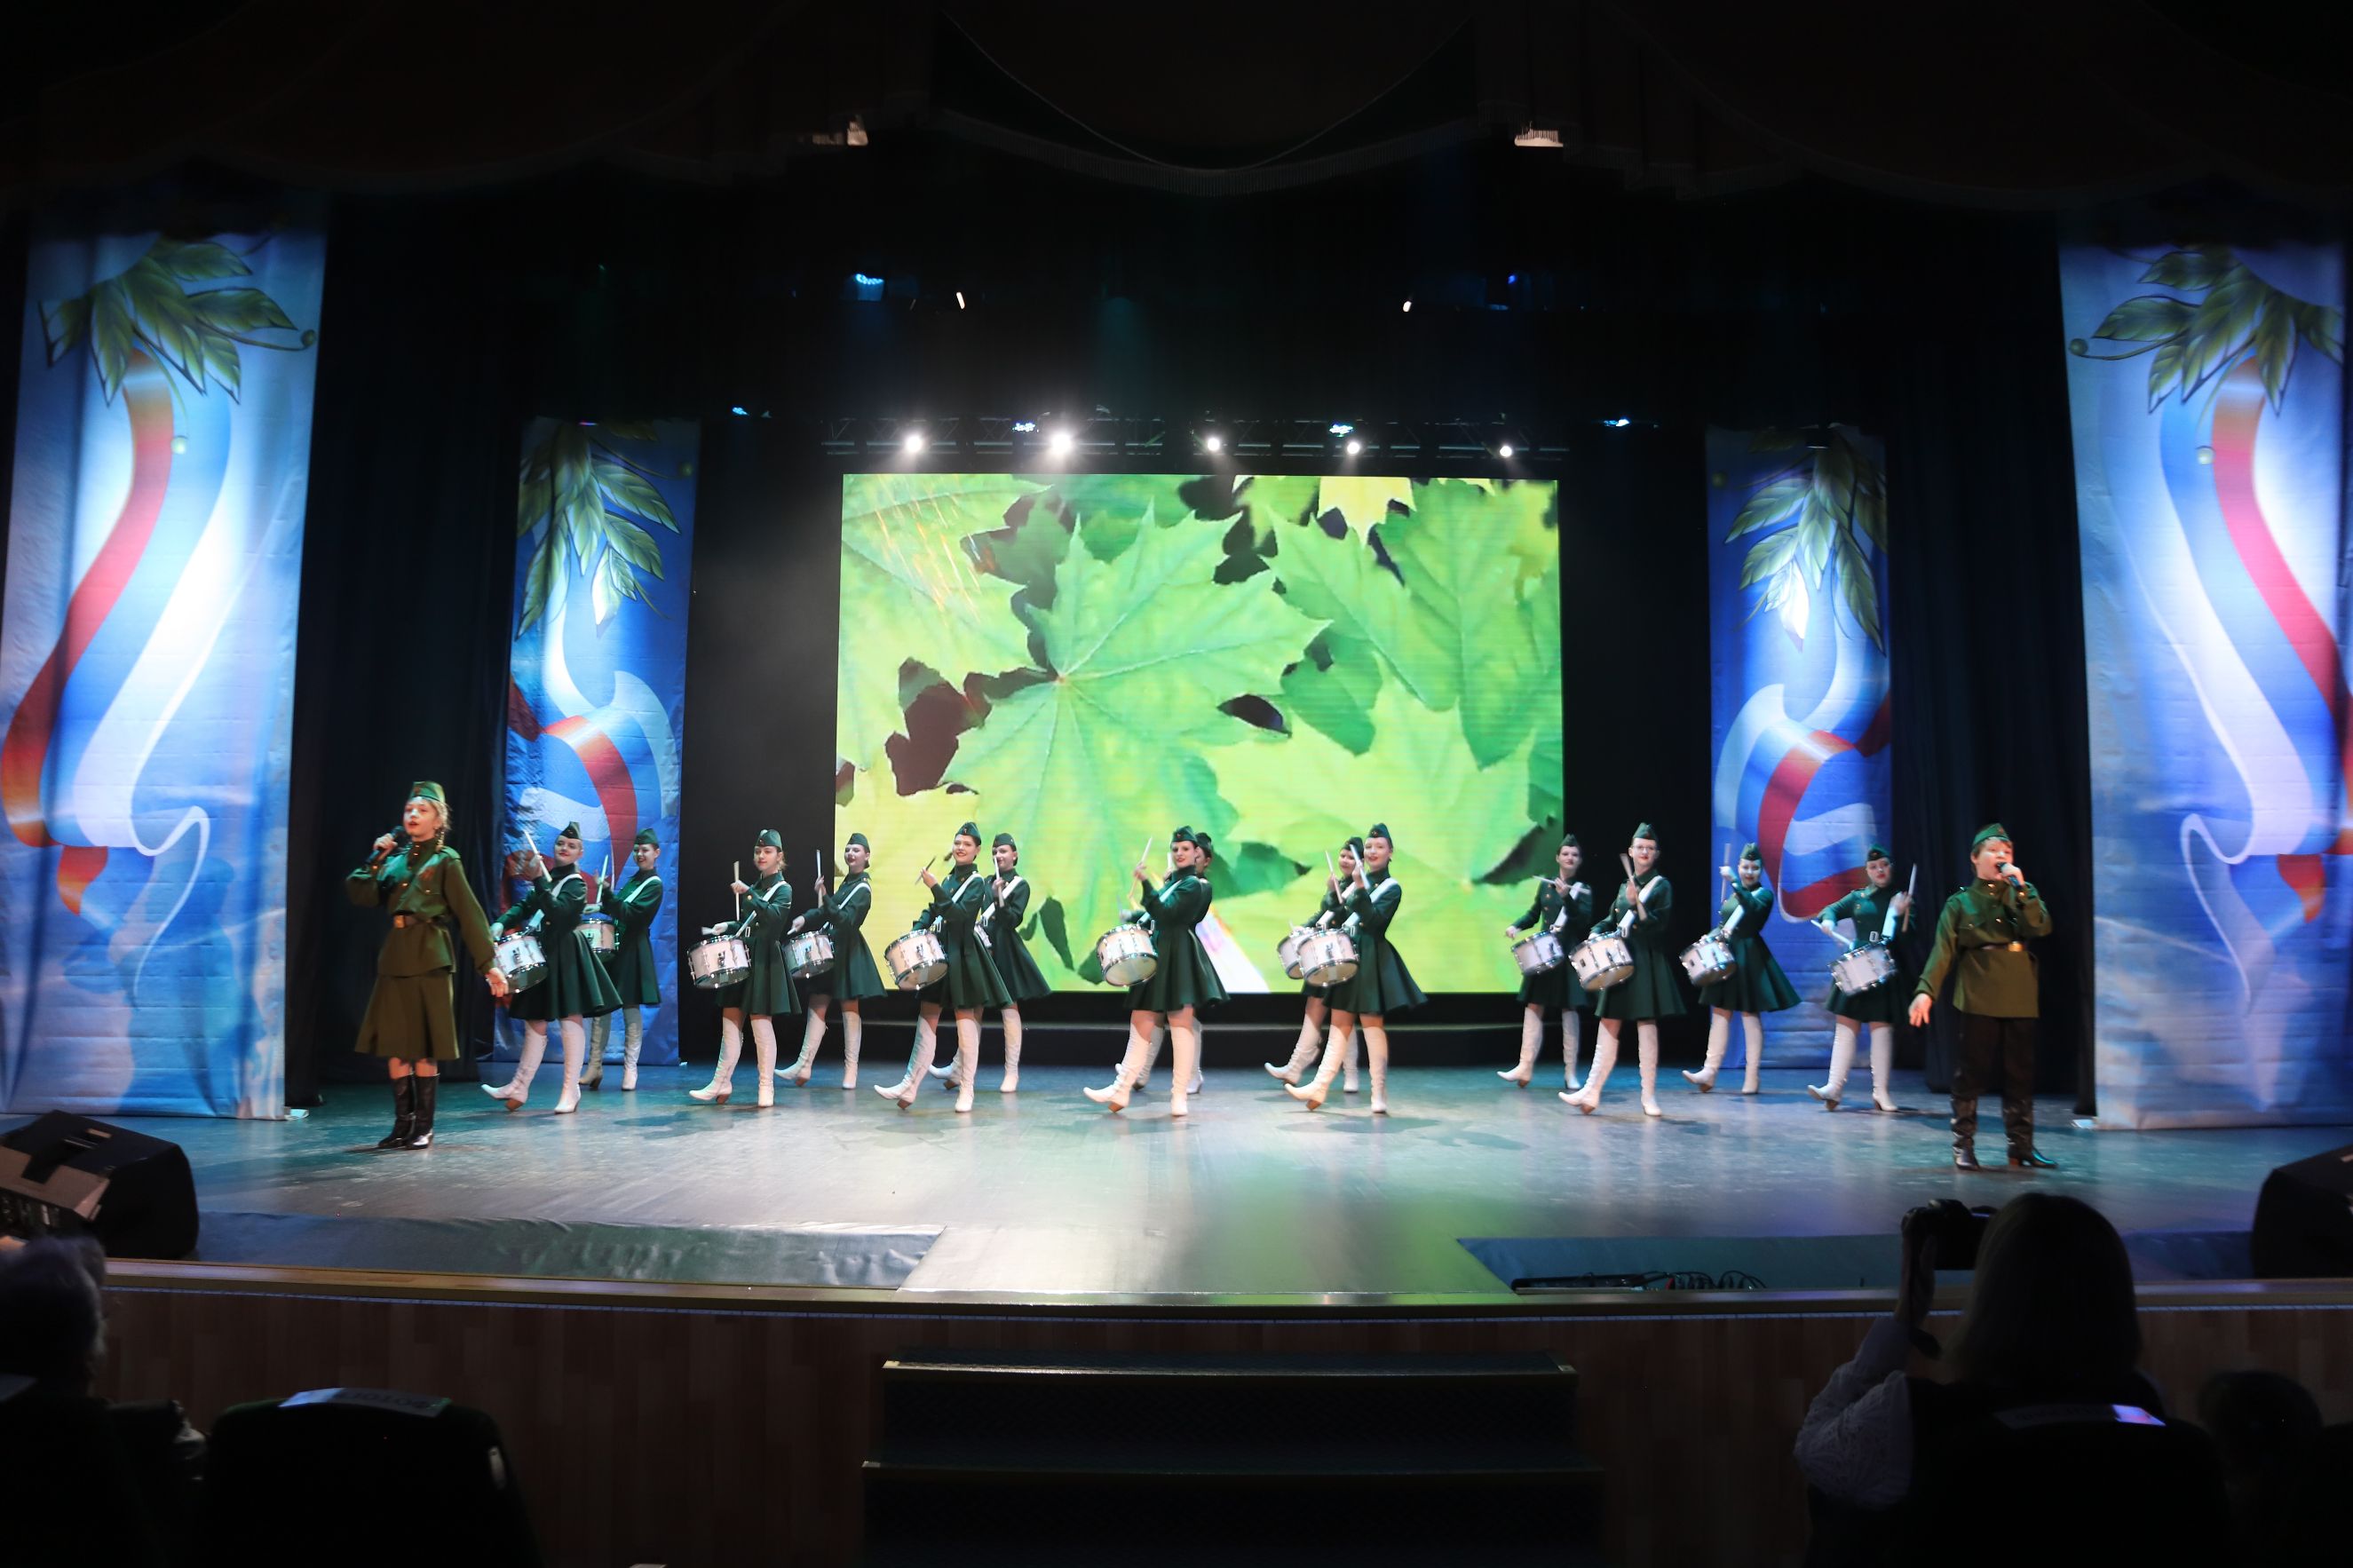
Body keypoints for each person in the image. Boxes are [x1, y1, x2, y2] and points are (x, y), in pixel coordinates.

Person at [1794, 1194, 2228, 1564]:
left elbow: (1813, 1448)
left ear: (1991, 1293)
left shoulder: (1916, 1417)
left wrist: (1904, 1317)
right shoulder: (2153, 1415)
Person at [348, 781, 509, 1148]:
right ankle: (402, 1124)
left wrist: (489, 964)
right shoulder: (395, 859)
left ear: (438, 820)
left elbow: (470, 914)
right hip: (396, 955)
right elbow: (360, 893)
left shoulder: (445, 860)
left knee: (422, 1045)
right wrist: (376, 857)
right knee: (396, 1044)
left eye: (422, 810)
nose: (413, 815)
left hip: (430, 954)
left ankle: (423, 1126)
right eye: (409, 809)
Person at [1908, 824, 2055, 1170]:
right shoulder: (1960, 903)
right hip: (1979, 992)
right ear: (1975, 859)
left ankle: (2021, 1146)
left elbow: (2041, 926)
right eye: (1994, 850)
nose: (2002, 856)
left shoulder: (2022, 893)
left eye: (2007, 851)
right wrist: (1926, 992)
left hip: (2019, 991)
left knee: (2021, 1073)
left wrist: (2022, 890)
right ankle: (1963, 1144)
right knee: (1971, 1072)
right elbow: (1942, 952)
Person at [482, 820, 622, 1115]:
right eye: (560, 843)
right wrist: (501, 923)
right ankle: (519, 1086)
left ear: (580, 853)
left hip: (566, 953)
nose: (564, 848)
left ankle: (571, 1090)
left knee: (570, 1017)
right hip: (543, 951)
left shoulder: (575, 884)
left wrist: (539, 881)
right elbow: (525, 906)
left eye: (571, 846)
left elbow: (560, 915)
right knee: (535, 1019)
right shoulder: (548, 878)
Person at [1086, 826, 1226, 1114]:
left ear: (1196, 854)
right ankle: (1122, 1088)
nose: (1179, 853)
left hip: (1179, 953)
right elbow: (1155, 914)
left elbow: (1167, 912)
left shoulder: (1196, 885)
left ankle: (1179, 1096)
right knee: (1141, 1017)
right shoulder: (1175, 882)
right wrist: (1141, 906)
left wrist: (1146, 884)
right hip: (1159, 949)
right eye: (1175, 849)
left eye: (1185, 849)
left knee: (1180, 1023)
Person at [1287, 821, 1425, 1113]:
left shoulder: (1391, 888)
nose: (1373, 851)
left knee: (1372, 1025)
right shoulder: (1355, 881)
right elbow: (1337, 914)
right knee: (1339, 1023)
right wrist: (1332, 893)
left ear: (1390, 852)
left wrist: (1360, 890)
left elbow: (1374, 922)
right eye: (1369, 847)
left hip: (1372, 957)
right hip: (1348, 954)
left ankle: (1379, 1092)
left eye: (1379, 847)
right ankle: (1319, 1086)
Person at [877, 822, 1008, 1112]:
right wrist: (916, 930)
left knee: (965, 1022)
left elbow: (959, 916)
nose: (960, 848)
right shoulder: (950, 878)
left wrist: (935, 887)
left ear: (977, 851)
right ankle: (910, 1085)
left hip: (962, 955)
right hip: (939, 952)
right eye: (957, 842)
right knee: (927, 1018)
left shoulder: (976, 883)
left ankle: (967, 1089)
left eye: (967, 844)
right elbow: (933, 911)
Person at [1564, 822, 1684, 1117]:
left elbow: (1659, 925)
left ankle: (1649, 1096)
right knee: (1608, 1023)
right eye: (1640, 848)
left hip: (1646, 959)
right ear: (1631, 852)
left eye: (1650, 848)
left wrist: (1637, 905)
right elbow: (1612, 919)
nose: (1644, 852)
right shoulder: (1624, 886)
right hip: (1619, 958)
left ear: (1656, 854)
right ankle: (1591, 1091)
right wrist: (1596, 931)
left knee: (1646, 1025)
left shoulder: (1662, 886)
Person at [933, 831, 1052, 1094]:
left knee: (1009, 1008)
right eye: (995, 852)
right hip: (981, 948)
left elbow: (1011, 921)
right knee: (973, 1008)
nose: (999, 856)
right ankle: (959, 1069)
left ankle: (1011, 1073)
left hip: (1005, 950)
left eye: (1004, 851)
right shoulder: (984, 881)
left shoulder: (1020, 885)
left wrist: (999, 897)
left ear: (1015, 855)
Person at [689, 828, 796, 1107]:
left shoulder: (783, 889)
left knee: (760, 1024)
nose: (761, 856)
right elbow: (749, 924)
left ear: (779, 856)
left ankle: (766, 1086)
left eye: (767, 851)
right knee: (730, 1021)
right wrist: (728, 926)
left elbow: (773, 920)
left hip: (764, 959)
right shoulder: (757, 887)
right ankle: (721, 1082)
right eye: (758, 851)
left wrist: (749, 893)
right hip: (743, 955)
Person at [1684, 843, 1800, 1096]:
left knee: (1749, 1014)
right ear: (1739, 866)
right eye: (1745, 867)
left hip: (1749, 956)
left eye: (1754, 868)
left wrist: (1735, 882)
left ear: (1760, 870)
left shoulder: (1764, 895)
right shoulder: (1733, 895)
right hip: (1726, 953)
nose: (1749, 872)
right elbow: (1725, 924)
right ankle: (1709, 1071)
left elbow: (1754, 912)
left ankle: (1752, 1075)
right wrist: (1710, 936)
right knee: (1721, 1012)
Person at [780, 830, 888, 1089]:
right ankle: (804, 1065)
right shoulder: (848, 884)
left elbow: (845, 921)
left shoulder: (863, 889)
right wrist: (804, 918)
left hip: (848, 951)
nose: (850, 854)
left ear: (867, 856)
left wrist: (826, 897)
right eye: (848, 849)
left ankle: (851, 1071)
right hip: (830, 948)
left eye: (856, 850)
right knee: (817, 1002)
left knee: (850, 1007)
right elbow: (827, 912)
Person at [1808, 843, 1911, 1112]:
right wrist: (1829, 920)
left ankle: (1881, 1092)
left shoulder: (1900, 900)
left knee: (1881, 1029)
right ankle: (1834, 1087)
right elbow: (1829, 910)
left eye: (1884, 865)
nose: (1879, 870)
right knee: (1846, 1025)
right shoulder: (1858, 897)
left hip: (1884, 966)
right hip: (1857, 964)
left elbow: (1904, 936)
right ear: (1867, 870)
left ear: (1891, 867)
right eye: (1873, 867)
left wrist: (1901, 914)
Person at [1262, 837, 1364, 1089]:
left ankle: (1350, 1074)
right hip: (1324, 954)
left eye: (1351, 857)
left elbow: (1348, 916)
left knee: (1343, 1015)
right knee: (1316, 1007)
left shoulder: (1362, 887)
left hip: (1345, 954)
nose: (1345, 861)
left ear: (1361, 862)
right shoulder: (1339, 884)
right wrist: (1304, 928)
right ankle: (1296, 1066)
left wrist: (1336, 895)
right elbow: (1323, 916)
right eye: (1342, 855)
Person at [1499, 834, 1594, 1091]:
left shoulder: (1583, 890)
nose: (1570, 858)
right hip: (1544, 952)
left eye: (1574, 855)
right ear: (1557, 858)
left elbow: (1582, 921)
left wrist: (1568, 897)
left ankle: (1570, 1072)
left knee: (1569, 1009)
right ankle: (1525, 1066)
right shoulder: (1546, 886)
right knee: (1534, 1006)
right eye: (1566, 854)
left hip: (1568, 955)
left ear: (1579, 860)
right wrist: (1516, 926)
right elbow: (1534, 914)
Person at [585, 827, 663, 1091]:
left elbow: (630, 913)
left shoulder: (654, 885)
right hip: (616, 948)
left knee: (630, 1007)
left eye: (645, 850)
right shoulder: (632, 881)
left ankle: (631, 1069)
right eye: (637, 849)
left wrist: (607, 894)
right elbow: (618, 907)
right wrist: (601, 904)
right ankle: (595, 1066)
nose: (640, 854)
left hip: (633, 950)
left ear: (656, 853)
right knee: (603, 1007)